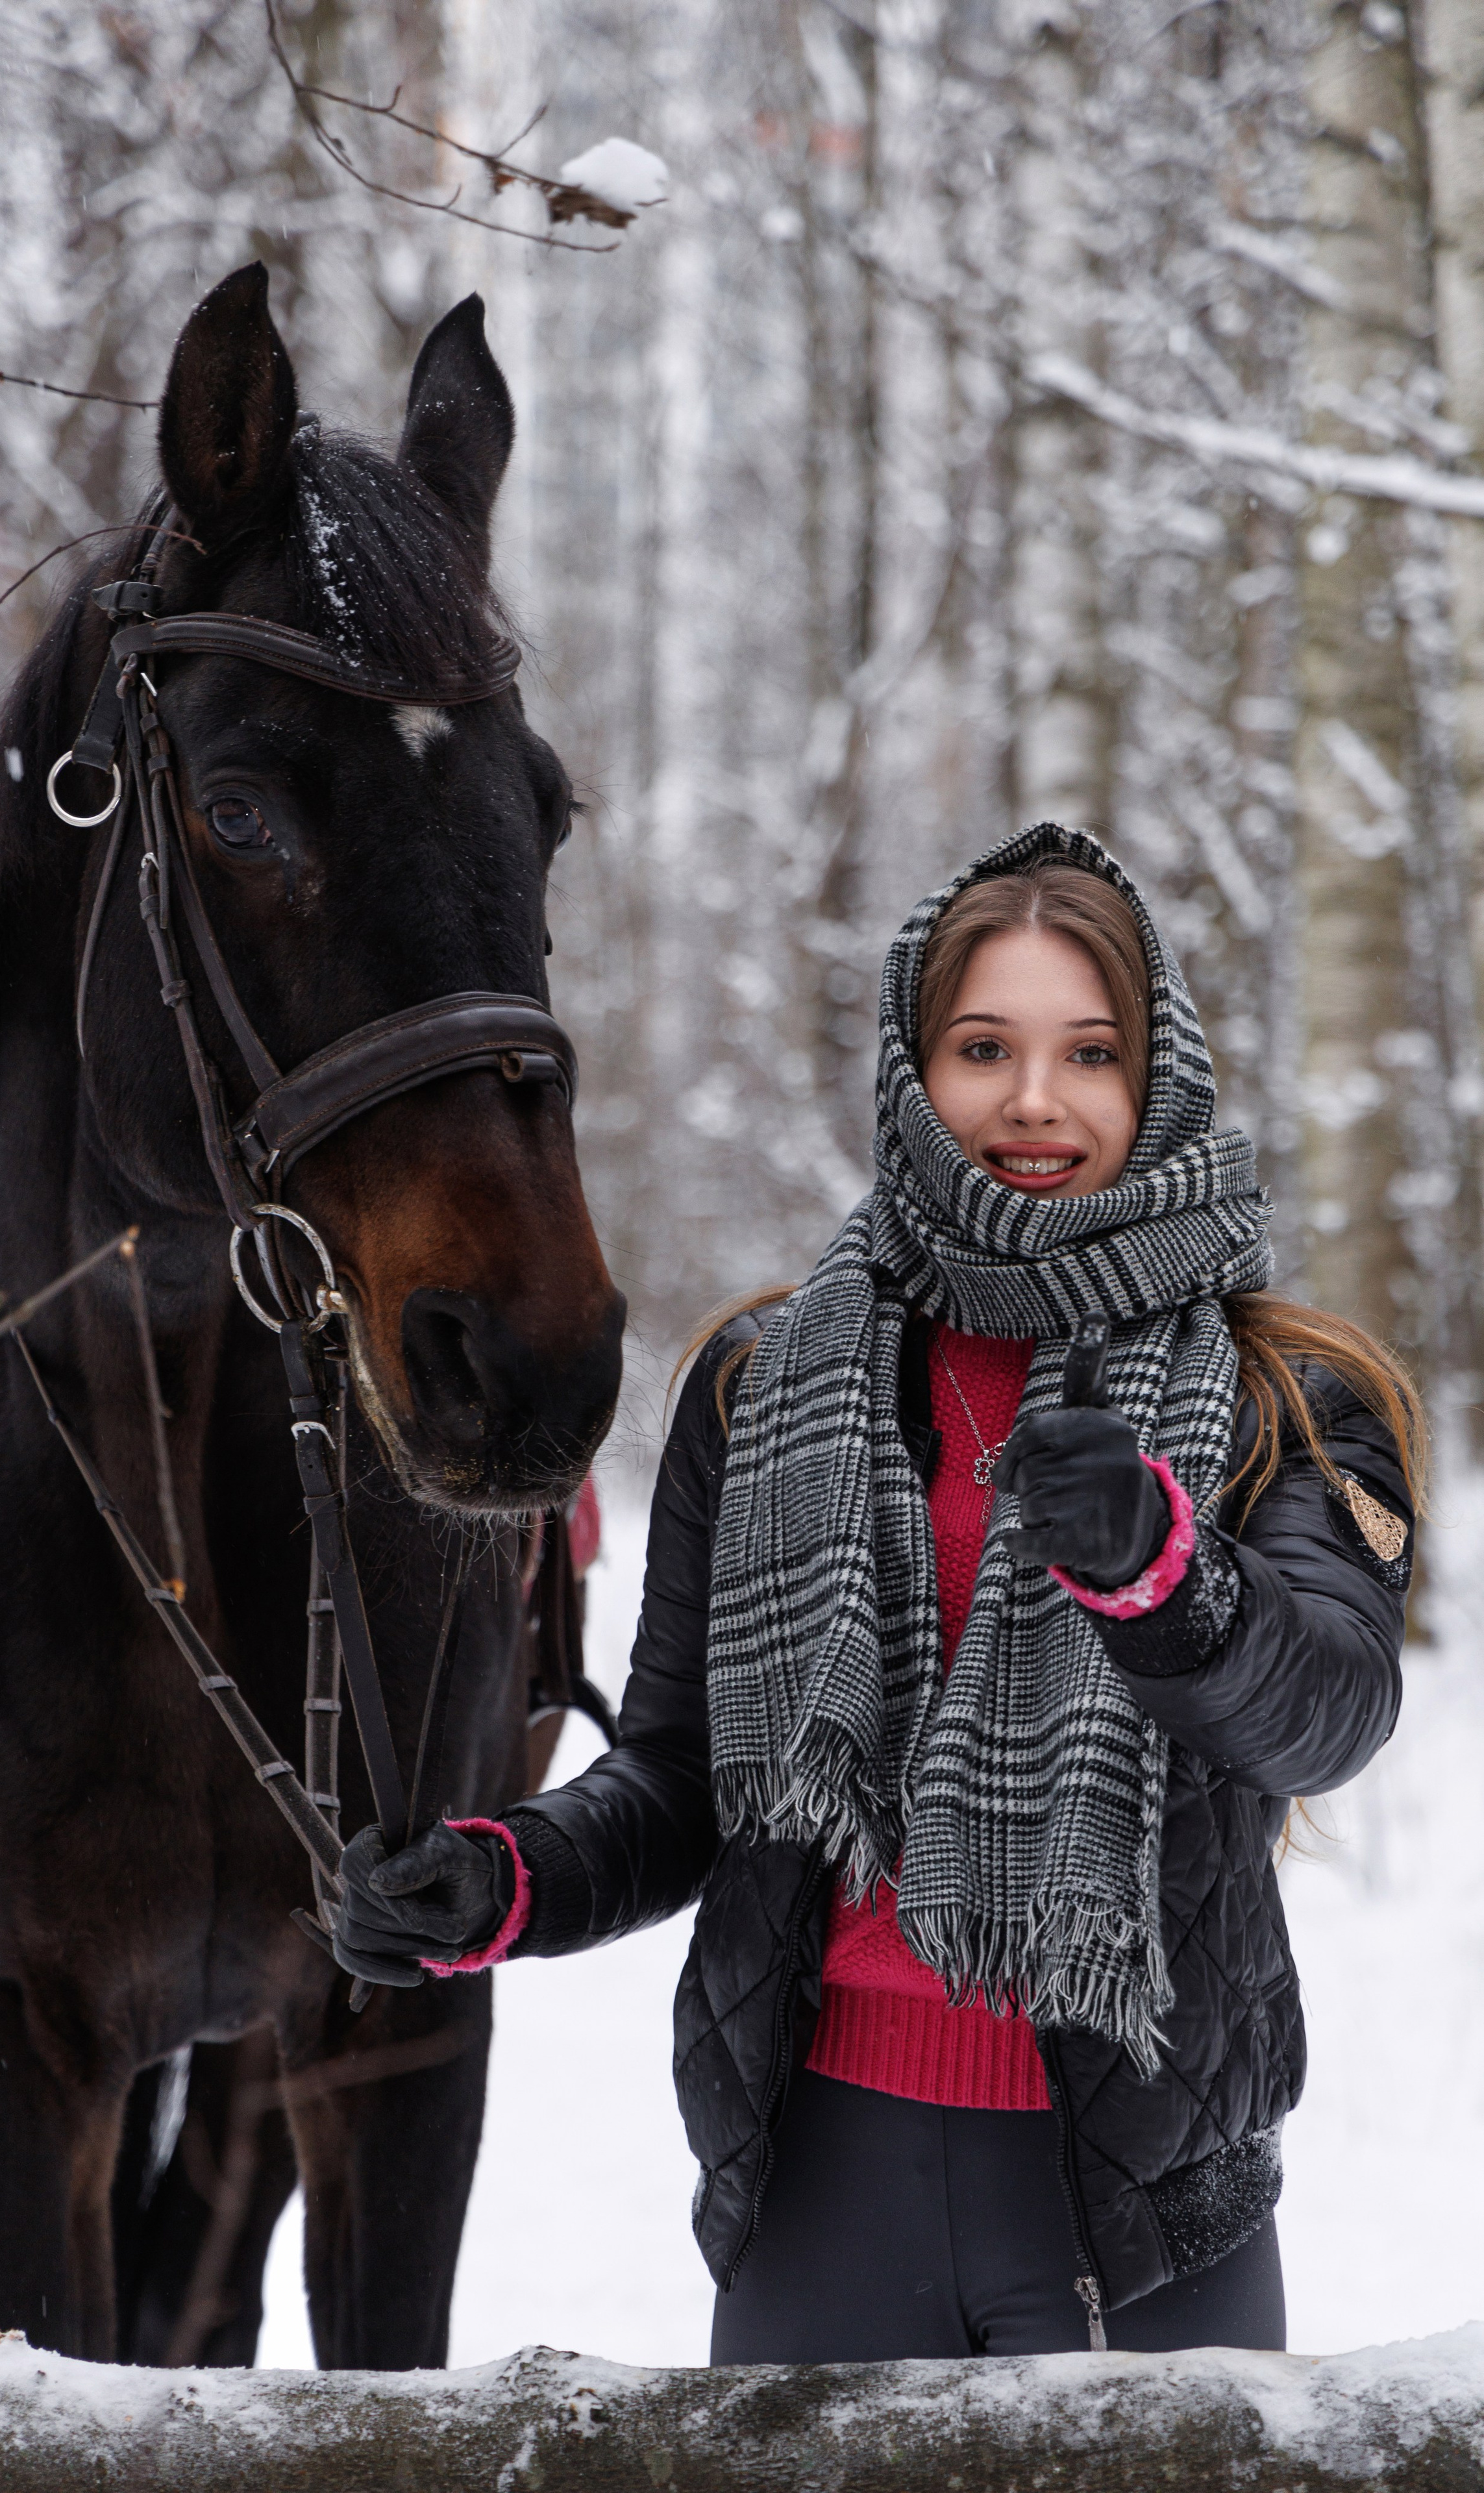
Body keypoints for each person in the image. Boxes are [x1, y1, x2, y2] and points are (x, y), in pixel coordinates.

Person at [329, 821, 1422, 2363]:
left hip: (1141, 2209)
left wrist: (1165, 1577)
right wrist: (509, 1879)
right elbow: (685, 1776)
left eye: (1086, 1053)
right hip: (819, 2193)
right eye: (983, 1048)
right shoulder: (765, 1383)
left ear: (1151, 1077)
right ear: (915, 1072)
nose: (1032, 1102)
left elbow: (1325, 1711)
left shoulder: (1285, 1397)